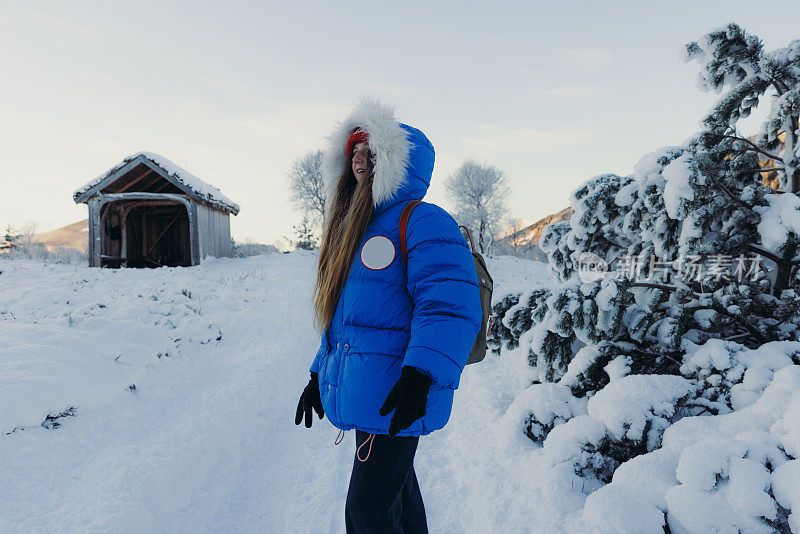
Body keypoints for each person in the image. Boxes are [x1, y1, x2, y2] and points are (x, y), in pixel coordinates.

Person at [295, 98, 482, 533]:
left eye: (371, 150)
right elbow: (345, 322)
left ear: (398, 161)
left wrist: (421, 375)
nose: (359, 158)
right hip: (373, 391)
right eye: (354, 150)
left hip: (401, 385)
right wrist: (317, 375)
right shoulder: (355, 228)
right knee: (395, 497)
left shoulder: (424, 220)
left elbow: (449, 308)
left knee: (367, 513)